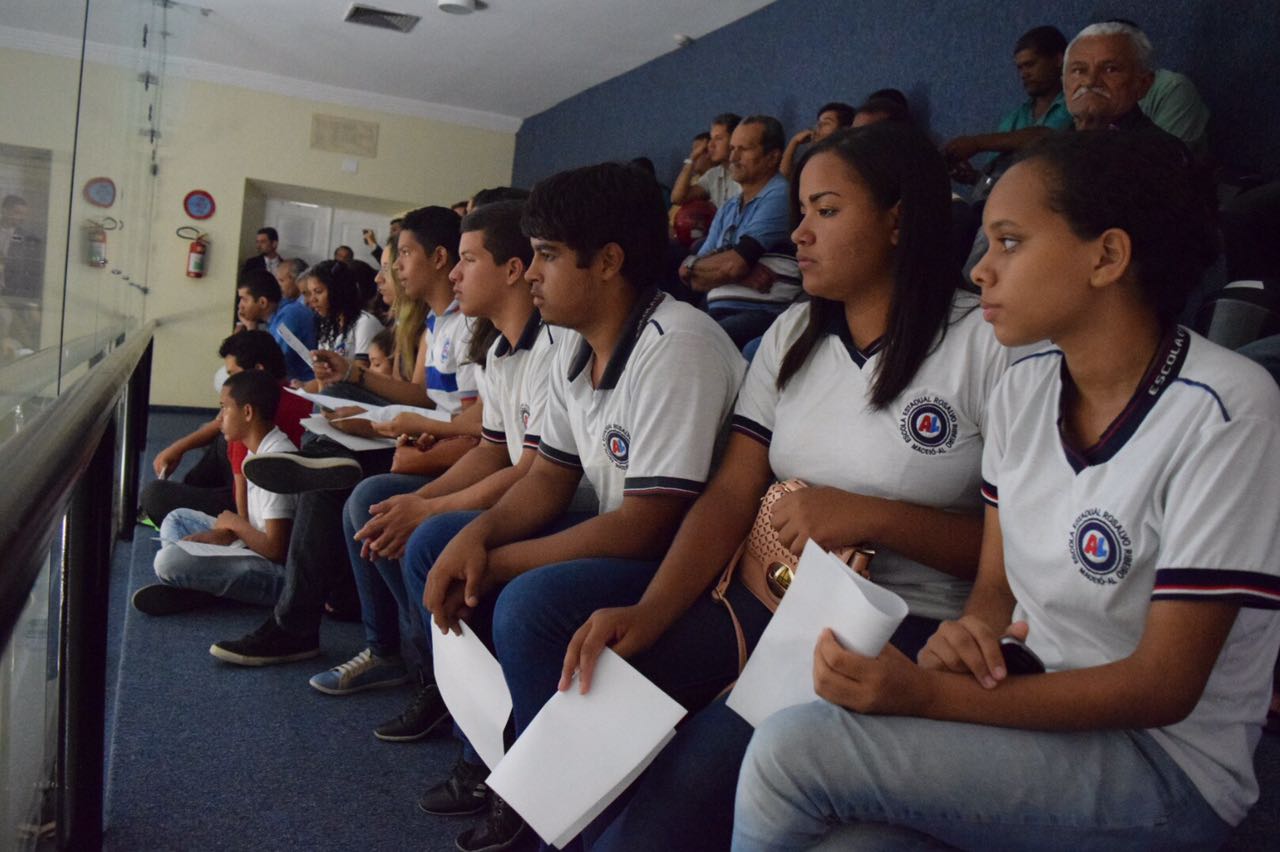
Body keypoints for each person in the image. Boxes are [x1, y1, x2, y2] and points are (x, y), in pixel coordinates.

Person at [732, 129, 1280, 852]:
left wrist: (929, 696)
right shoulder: (1025, 385)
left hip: (1164, 761)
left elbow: (1164, 684)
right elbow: (994, 590)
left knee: (788, 752)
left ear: (1107, 257)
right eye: (984, 244)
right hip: (1027, 695)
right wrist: (963, 644)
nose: (982, 271)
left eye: (1010, 242)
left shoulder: (1226, 406)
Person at [576, 122, 1008, 852]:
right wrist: (651, 610)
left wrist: (870, 516)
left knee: (703, 769)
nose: (799, 234)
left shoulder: (982, 344)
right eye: (801, 211)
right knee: (603, 675)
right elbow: (732, 490)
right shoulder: (791, 333)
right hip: (765, 591)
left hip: (903, 627)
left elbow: (1012, 554)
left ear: (898, 220)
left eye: (826, 211)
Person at [412, 161, 745, 852]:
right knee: (446, 545)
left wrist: (499, 559)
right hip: (629, 536)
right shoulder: (570, 341)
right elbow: (546, 479)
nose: (531, 273)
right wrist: (479, 536)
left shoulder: (677, 346)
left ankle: (554, 811)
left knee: (531, 602)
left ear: (609, 262)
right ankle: (514, 771)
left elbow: (647, 524)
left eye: (548, 256)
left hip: (694, 564)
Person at [309, 200, 558, 750]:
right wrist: (420, 498)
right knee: (372, 498)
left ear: (512, 271)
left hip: (547, 501)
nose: (455, 274)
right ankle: (419, 663)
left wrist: (428, 505)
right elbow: (494, 449)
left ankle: (462, 703)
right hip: (507, 479)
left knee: (426, 533)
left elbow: (529, 471)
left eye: (466, 261)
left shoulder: (550, 351)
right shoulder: (496, 349)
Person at [209, 207, 475, 667]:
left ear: (438, 257)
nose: (386, 273)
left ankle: (310, 628)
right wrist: (353, 373)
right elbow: (426, 397)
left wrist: (385, 426)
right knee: (338, 404)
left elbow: (463, 425)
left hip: (433, 447)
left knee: (337, 484)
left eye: (402, 255)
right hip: (421, 436)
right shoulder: (438, 322)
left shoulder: (468, 326)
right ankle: (325, 456)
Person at [135, 370, 298, 616]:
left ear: (247, 412)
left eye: (225, 408)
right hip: (253, 545)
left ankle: (200, 585)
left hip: (279, 577)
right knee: (176, 518)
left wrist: (235, 525)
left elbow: (277, 550)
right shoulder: (257, 449)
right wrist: (228, 533)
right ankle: (203, 583)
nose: (221, 418)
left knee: (166, 562)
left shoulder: (274, 463)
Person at [140, 331, 310, 526]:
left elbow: (242, 497)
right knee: (221, 441)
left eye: (232, 374)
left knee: (155, 495)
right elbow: (219, 424)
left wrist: (240, 526)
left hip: (254, 503)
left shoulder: (248, 419)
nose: (228, 382)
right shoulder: (296, 398)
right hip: (266, 490)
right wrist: (180, 447)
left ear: (258, 370)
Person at [680, 115, 798, 348]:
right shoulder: (728, 207)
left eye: (744, 149)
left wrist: (727, 269)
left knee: (693, 346)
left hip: (764, 313)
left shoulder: (779, 195)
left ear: (773, 157)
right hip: (719, 308)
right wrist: (742, 276)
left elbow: (734, 264)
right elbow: (688, 273)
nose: (733, 157)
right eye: (733, 148)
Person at [943, 26, 1072, 186]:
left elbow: (1047, 138)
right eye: (1020, 68)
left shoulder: (1074, 105)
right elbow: (1001, 180)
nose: (1024, 74)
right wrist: (974, 178)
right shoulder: (1015, 118)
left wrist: (977, 143)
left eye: (1030, 64)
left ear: (1058, 60)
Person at [1063, 21, 1157, 132]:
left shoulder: (1161, 147)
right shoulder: (1051, 143)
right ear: (1063, 81)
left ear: (1143, 83)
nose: (1090, 81)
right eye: (1078, 71)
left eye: (1110, 70)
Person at [304, 260, 384, 366]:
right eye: (310, 293)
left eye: (318, 292)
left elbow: (360, 374)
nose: (312, 300)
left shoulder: (365, 323)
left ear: (337, 290)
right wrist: (304, 383)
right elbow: (326, 376)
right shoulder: (329, 326)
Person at [671, 113, 741, 207]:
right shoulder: (713, 175)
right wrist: (692, 159)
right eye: (711, 139)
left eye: (718, 139)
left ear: (735, 140)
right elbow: (677, 198)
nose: (711, 145)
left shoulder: (748, 172)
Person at [781, 101, 856, 179]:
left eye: (826, 123)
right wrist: (794, 142)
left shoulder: (846, 163)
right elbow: (784, 178)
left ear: (844, 130)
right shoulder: (815, 158)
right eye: (818, 123)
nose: (818, 126)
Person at [272, 258, 318, 382]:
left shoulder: (294, 312)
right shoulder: (287, 306)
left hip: (304, 380)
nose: (309, 300)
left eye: (281, 280)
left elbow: (282, 356)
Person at [234, 269, 282, 333]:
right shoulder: (273, 323)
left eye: (244, 300)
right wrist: (250, 326)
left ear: (263, 303)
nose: (240, 306)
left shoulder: (283, 322)